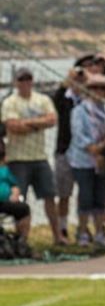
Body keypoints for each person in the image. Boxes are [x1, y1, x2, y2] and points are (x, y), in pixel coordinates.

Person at [2, 68, 65, 247]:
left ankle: (58, 236)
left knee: (50, 197)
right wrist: (38, 123)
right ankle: (22, 239)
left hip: (39, 157)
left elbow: (52, 119)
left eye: (28, 79)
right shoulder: (10, 102)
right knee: (19, 200)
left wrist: (28, 123)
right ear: (16, 82)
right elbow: (13, 126)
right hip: (17, 158)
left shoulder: (42, 99)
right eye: (21, 79)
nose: (25, 82)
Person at [66, 73, 105, 247]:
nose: (98, 92)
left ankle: (100, 231)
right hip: (82, 159)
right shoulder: (79, 110)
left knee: (100, 197)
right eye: (94, 88)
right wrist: (94, 149)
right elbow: (79, 136)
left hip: (103, 158)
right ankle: (83, 232)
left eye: (102, 88)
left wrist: (103, 148)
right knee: (85, 196)